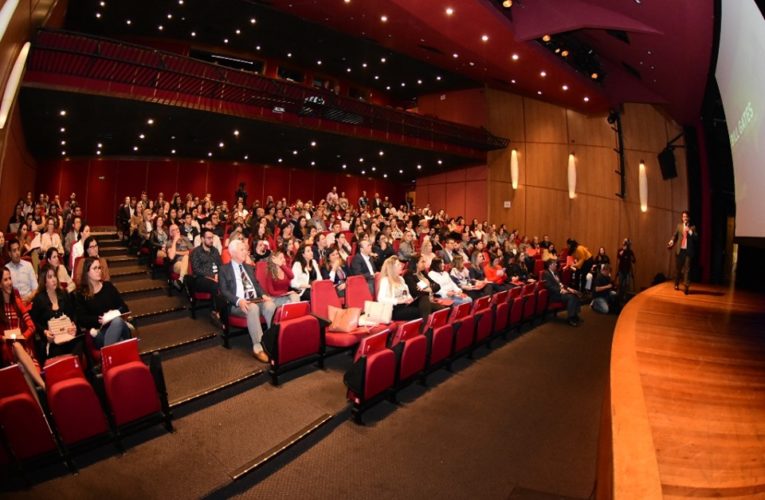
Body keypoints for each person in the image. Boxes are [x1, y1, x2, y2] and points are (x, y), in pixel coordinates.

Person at [218, 239, 274, 363]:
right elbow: (224, 291)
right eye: (242, 250)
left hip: (256, 300)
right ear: (232, 253)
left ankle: (272, 341)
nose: (246, 252)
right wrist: (239, 301)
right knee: (252, 308)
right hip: (238, 305)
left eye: (245, 249)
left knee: (270, 305)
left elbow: (257, 285)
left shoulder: (248, 267)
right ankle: (258, 347)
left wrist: (263, 295)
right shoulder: (224, 269)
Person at [74, 257, 132, 348]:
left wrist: (113, 314)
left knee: (117, 321)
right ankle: (110, 353)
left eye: (99, 267)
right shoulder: (81, 294)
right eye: (95, 268)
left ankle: (106, 356)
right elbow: (82, 319)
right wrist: (99, 319)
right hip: (100, 331)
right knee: (119, 340)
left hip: (119, 326)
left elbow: (124, 307)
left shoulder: (108, 287)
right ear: (87, 273)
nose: (99, 271)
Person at [0, 268, 43, 386]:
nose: (9, 282)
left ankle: (38, 404)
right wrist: (3, 338)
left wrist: (22, 337)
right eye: (5, 280)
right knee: (15, 346)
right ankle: (44, 386)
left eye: (10, 279)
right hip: (6, 350)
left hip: (23, 347)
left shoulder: (17, 302)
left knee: (24, 370)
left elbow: (31, 326)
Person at [31, 264, 81, 361]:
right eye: (50, 277)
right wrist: (44, 332)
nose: (54, 279)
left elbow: (73, 314)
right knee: (57, 352)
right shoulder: (39, 299)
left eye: (54, 276)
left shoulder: (63, 294)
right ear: (44, 281)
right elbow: (34, 321)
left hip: (67, 336)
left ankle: (77, 372)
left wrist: (73, 325)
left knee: (79, 344)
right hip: (53, 341)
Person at [377, 255, 420, 321]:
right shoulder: (386, 280)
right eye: (398, 265)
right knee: (421, 310)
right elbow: (381, 298)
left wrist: (409, 298)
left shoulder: (401, 279)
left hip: (405, 306)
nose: (401, 266)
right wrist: (398, 301)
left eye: (400, 264)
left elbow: (405, 293)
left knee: (424, 300)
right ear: (392, 268)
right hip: (394, 309)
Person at [542, 259, 582, 327]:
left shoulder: (556, 272)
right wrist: (560, 290)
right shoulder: (546, 273)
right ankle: (571, 318)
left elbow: (560, 283)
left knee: (575, 294)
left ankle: (575, 315)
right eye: (555, 264)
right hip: (554, 295)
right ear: (550, 265)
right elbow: (549, 286)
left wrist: (568, 288)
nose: (556, 265)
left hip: (560, 292)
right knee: (571, 297)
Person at [667, 210, 698, 295]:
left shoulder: (693, 227)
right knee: (678, 269)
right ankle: (676, 283)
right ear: (682, 218)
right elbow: (675, 235)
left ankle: (686, 287)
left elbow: (696, 238)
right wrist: (671, 241)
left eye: (686, 217)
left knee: (687, 270)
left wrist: (690, 231)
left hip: (688, 252)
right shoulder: (679, 226)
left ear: (689, 218)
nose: (685, 218)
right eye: (683, 217)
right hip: (680, 251)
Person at [402, 254, 439, 319]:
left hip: (429, 300)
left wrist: (428, 289)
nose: (425, 263)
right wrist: (429, 290)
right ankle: (426, 327)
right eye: (422, 261)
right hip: (418, 302)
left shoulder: (423, 273)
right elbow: (416, 292)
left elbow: (437, 286)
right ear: (416, 263)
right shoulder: (409, 275)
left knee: (444, 309)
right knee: (427, 301)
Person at [189, 228, 222, 299]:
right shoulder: (196, 252)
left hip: (216, 276)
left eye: (212, 238)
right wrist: (212, 276)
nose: (211, 240)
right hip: (201, 279)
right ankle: (216, 309)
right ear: (202, 239)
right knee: (215, 285)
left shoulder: (215, 250)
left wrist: (218, 275)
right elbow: (196, 270)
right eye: (209, 238)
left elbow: (220, 265)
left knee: (229, 282)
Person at [4, 239, 37, 303]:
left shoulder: (28, 265)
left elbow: (35, 288)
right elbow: (5, 292)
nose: (17, 253)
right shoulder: (6, 269)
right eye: (14, 251)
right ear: (10, 254)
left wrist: (28, 298)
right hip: (14, 303)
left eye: (18, 249)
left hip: (29, 301)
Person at [616, 238, 636, 303]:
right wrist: (623, 250)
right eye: (624, 242)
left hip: (628, 271)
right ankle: (619, 298)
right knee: (620, 284)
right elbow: (619, 256)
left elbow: (634, 261)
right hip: (621, 270)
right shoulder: (620, 250)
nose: (625, 244)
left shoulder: (630, 251)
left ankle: (626, 298)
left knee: (627, 285)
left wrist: (631, 255)